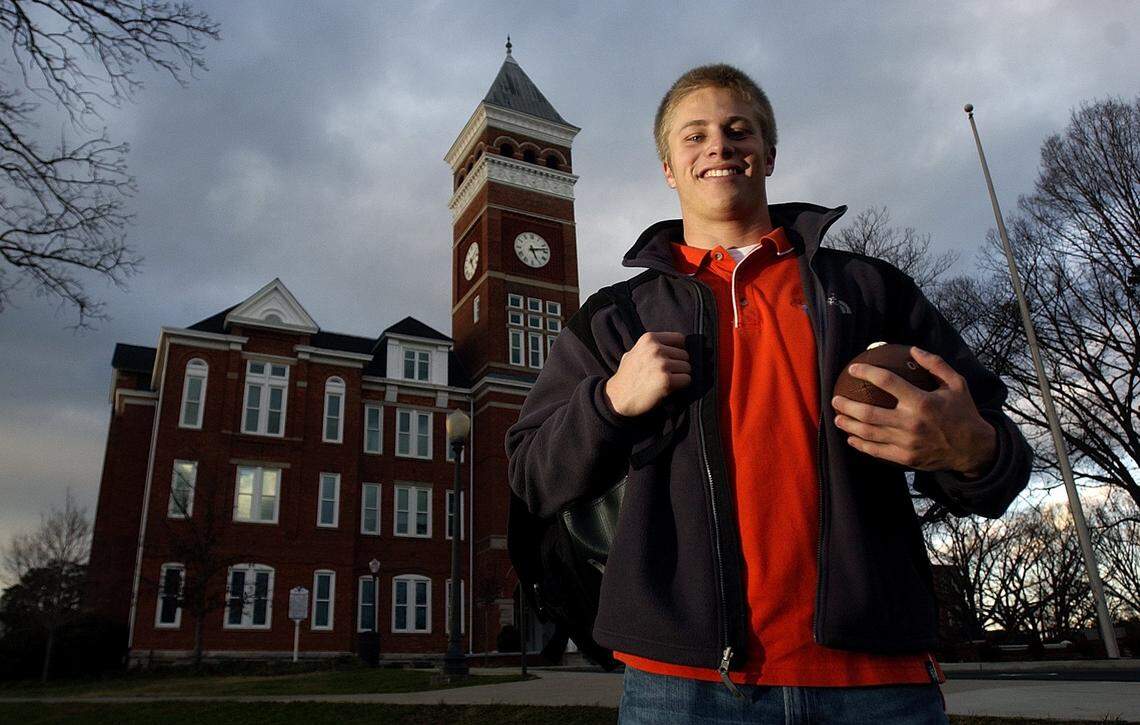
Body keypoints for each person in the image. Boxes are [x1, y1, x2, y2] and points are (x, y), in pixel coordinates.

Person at [505, 64, 1031, 724]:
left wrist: (968, 447)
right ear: (669, 168)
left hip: (877, 680)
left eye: (737, 129)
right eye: (693, 135)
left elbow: (1002, 455)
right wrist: (609, 400)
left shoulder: (872, 291)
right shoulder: (617, 317)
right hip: (683, 687)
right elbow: (532, 475)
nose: (718, 145)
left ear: (769, 154)